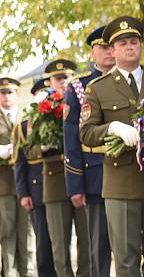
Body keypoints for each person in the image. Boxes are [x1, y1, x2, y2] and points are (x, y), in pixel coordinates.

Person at [79, 16, 144, 277]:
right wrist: (113, 128)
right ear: (112, 50)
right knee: (125, 264)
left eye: (134, 41)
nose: (129, 46)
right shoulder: (98, 89)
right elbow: (86, 134)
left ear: (141, 46)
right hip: (120, 185)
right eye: (122, 43)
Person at [63, 26, 115, 277]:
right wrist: (75, 184)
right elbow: (71, 140)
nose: (110, 52)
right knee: (99, 250)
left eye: (112, 46)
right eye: (103, 47)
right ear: (93, 52)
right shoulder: (78, 88)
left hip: (131, 172)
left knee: (130, 249)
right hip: (96, 178)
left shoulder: (132, 82)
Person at [41, 59, 90, 277]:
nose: (63, 81)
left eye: (67, 77)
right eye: (58, 78)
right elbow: (32, 149)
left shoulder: (84, 99)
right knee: (60, 246)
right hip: (55, 181)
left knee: (87, 240)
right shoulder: (40, 110)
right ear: (50, 81)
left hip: (81, 177)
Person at [13, 79, 57, 277]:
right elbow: (19, 162)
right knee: (43, 242)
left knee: (64, 241)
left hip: (62, 186)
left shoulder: (61, 120)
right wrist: (23, 193)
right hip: (37, 189)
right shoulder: (23, 127)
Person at [0, 77, 34, 277]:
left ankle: (28, 271)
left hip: (26, 183)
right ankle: (10, 272)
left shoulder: (27, 116)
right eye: (3, 93)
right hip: (3, 183)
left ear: (17, 94)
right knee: (7, 231)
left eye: (10, 92)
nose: (7, 96)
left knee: (27, 231)